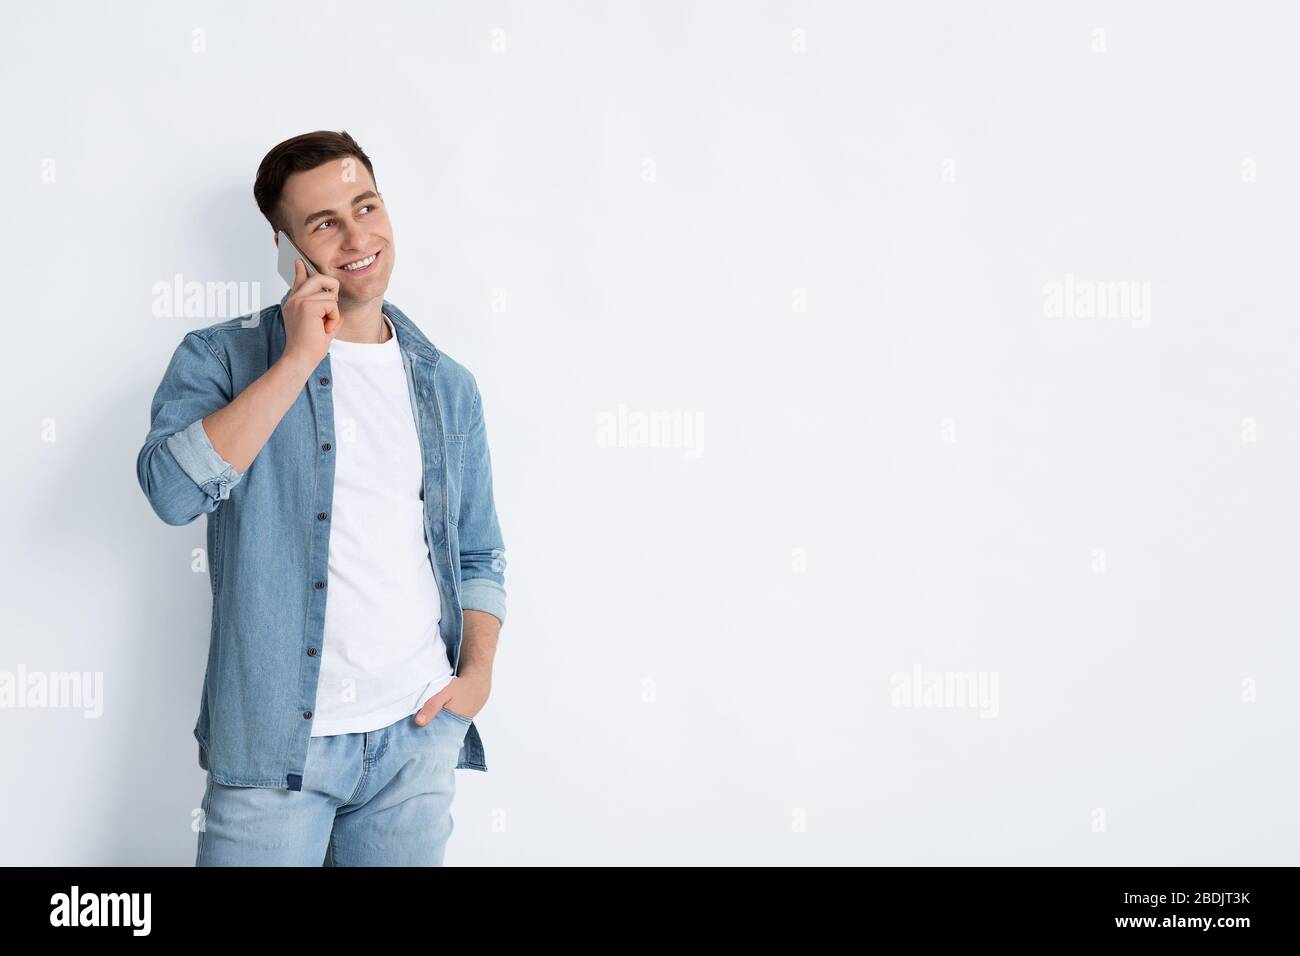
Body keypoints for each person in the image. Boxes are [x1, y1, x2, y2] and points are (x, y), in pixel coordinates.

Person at [135, 130, 507, 866]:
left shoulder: (446, 383)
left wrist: (477, 677)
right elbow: (171, 493)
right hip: (274, 751)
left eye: (365, 206)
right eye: (324, 223)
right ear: (285, 247)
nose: (356, 235)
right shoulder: (221, 357)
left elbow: (478, 547)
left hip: (415, 740)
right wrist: (301, 357)